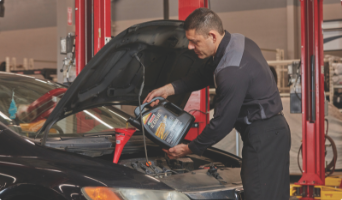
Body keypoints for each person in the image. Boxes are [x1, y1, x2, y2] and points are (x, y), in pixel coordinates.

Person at [143, 8, 291, 200]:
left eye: (195, 41)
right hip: (274, 132)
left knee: (258, 194)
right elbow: (203, 75)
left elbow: (222, 123)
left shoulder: (231, 71)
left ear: (212, 36)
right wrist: (169, 89)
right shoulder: (237, 41)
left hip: (263, 137)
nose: (190, 47)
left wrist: (190, 148)